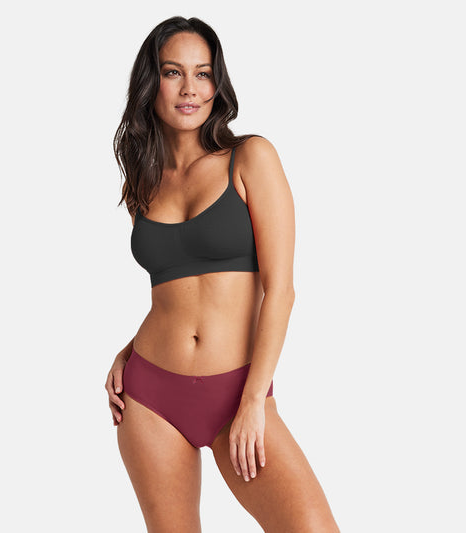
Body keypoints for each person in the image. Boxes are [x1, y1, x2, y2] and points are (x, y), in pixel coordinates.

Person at [105, 16, 341, 533]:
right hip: (149, 398)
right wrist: (128, 350)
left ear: (218, 84)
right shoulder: (143, 182)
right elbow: (173, 293)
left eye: (203, 73)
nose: (189, 88)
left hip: (237, 393)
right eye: (173, 72)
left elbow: (281, 290)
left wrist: (254, 400)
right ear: (152, 83)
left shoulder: (250, 158)